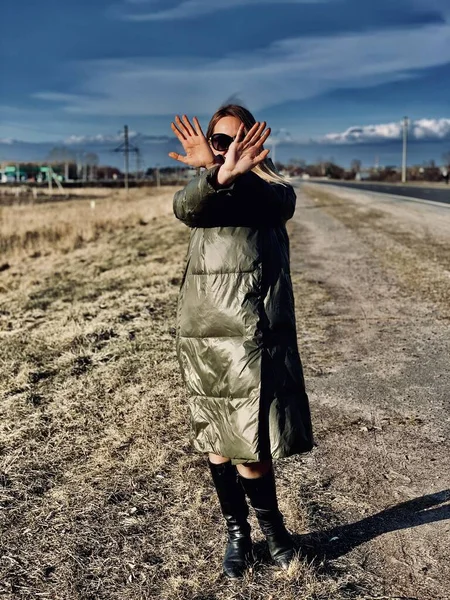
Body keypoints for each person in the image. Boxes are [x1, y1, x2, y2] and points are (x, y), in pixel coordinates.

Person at [169, 104, 313, 579]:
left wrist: (233, 172)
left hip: (253, 332)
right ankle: (238, 534)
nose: (227, 149)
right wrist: (214, 174)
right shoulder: (207, 193)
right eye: (218, 140)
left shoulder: (271, 192)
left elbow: (275, 206)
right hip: (205, 329)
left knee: (251, 444)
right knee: (217, 440)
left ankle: (274, 533)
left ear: (254, 144)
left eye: (236, 140)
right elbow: (186, 208)